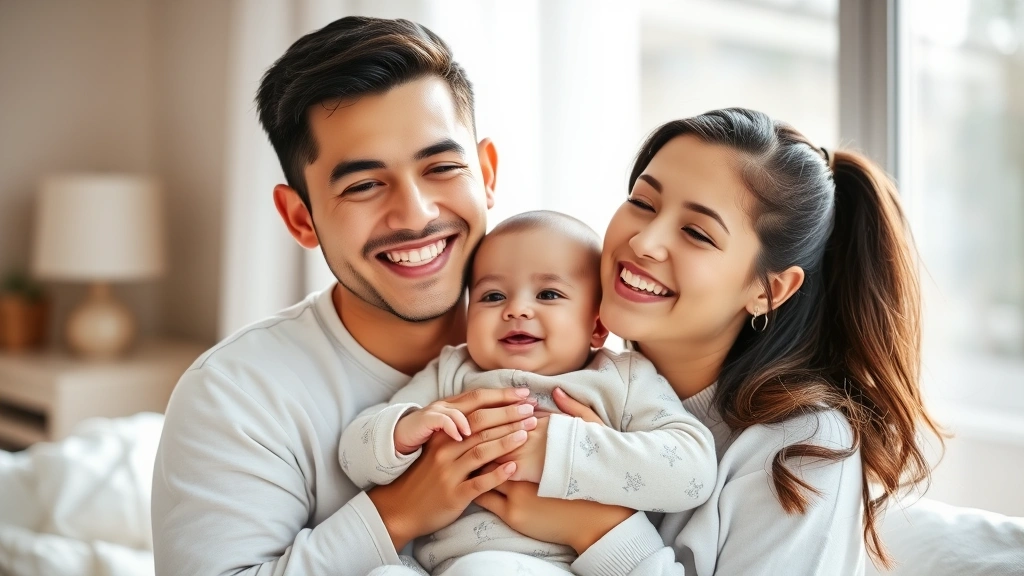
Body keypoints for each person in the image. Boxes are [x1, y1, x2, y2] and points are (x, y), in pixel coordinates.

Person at [469, 109, 944, 575]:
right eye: (642, 203)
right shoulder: (566, 375)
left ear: (768, 289)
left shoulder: (801, 448)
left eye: (696, 233)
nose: (645, 242)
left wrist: (596, 529)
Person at [151, 17, 547, 575]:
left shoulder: (584, 342)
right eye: (363, 185)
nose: (416, 214)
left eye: (442, 167)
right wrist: (397, 514)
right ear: (300, 217)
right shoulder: (233, 396)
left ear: (485, 174)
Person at [340, 211, 716, 575]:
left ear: (597, 326)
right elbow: (351, 457)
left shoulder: (622, 378)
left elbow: (693, 471)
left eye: (549, 294)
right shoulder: (453, 371)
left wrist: (563, 449)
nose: (516, 309)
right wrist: (403, 430)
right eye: (491, 296)